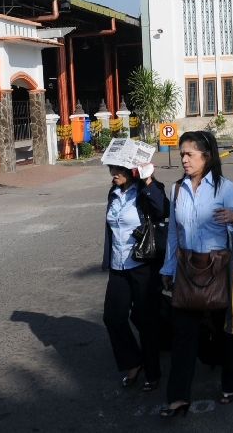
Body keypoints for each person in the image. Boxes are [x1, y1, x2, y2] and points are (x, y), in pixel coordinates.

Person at [159, 131, 233, 418]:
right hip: (186, 269)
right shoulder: (176, 190)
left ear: (206, 157)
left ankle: (229, 384)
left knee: (228, 331)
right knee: (182, 336)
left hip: (220, 268)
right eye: (182, 154)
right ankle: (177, 399)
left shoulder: (224, 187)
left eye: (189, 154)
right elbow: (174, 233)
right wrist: (167, 269)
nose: (184, 159)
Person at [102, 161, 169, 393]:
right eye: (111, 170)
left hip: (143, 265)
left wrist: (148, 180)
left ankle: (153, 372)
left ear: (131, 171)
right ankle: (133, 362)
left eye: (118, 170)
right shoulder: (114, 192)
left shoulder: (147, 188)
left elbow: (163, 210)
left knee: (146, 320)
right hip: (118, 265)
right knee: (113, 318)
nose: (113, 175)